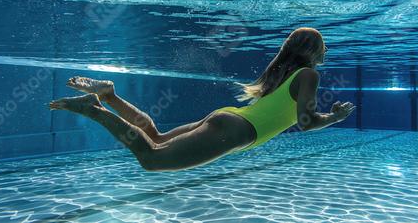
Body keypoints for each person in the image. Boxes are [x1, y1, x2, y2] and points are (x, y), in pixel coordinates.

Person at [49, 27, 355, 171]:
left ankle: (109, 95)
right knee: (151, 158)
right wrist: (334, 117)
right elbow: (305, 122)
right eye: (323, 46)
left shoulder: (282, 72)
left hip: (228, 118)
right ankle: (95, 109)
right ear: (315, 50)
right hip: (235, 131)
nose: (325, 51)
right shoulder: (308, 75)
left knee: (155, 136)